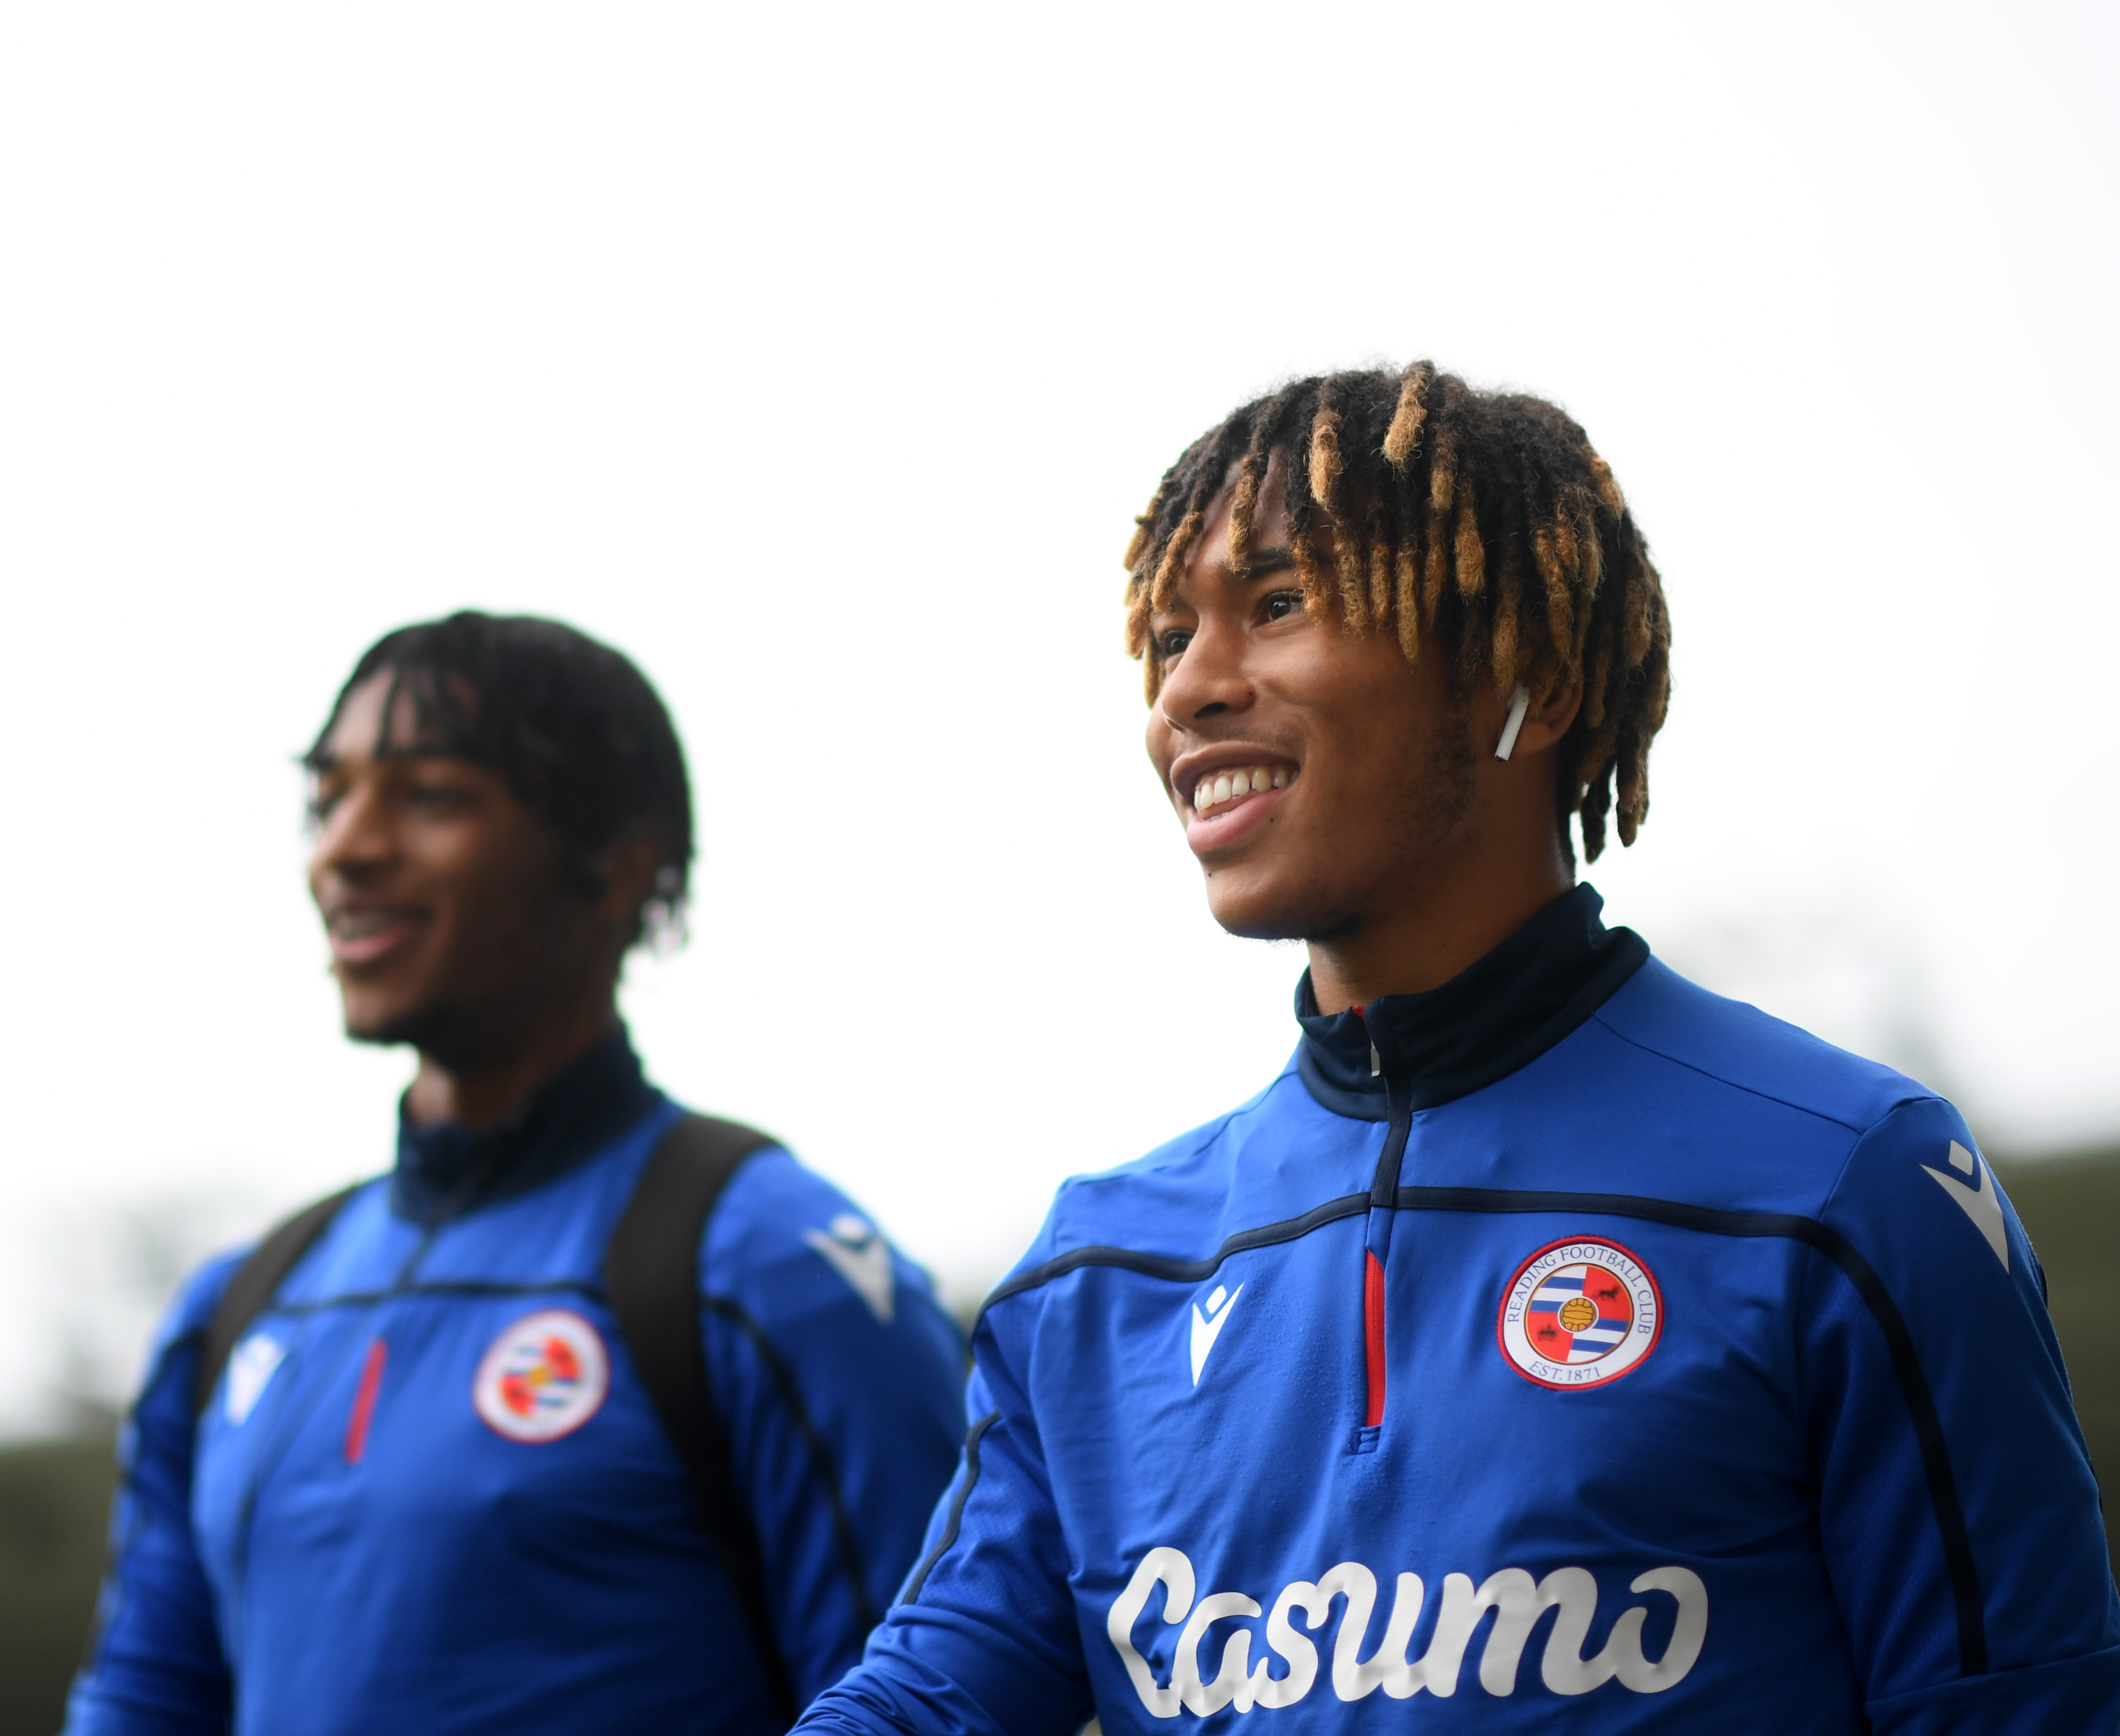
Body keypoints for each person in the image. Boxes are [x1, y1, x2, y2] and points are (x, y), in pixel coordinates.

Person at [798, 366, 2120, 1733]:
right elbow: (920, 1700)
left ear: (1527, 686)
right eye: (1167, 638)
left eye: (1274, 606)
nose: (1186, 692)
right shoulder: (1095, 1270)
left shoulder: (1849, 1187)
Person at [64, 612, 967, 1735]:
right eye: (327, 798)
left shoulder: (770, 1265)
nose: (345, 848)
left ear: (614, 863)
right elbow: (144, 1700)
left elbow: (945, 1704)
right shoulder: (233, 1312)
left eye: (428, 794)